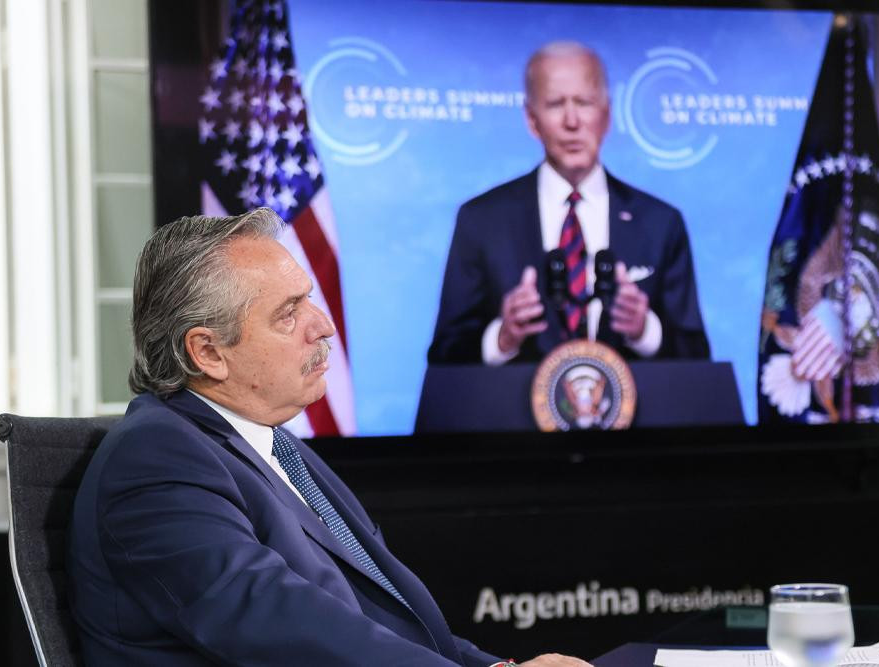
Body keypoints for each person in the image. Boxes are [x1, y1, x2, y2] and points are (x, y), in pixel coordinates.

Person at [67, 208, 591, 667]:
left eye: (309, 301)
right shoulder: (156, 458)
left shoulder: (275, 445)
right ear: (207, 352)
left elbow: (383, 619)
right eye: (288, 313)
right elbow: (279, 627)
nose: (323, 326)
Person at [428, 41, 709, 365]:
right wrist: (504, 337)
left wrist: (644, 330)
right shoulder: (482, 220)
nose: (572, 121)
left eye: (584, 102)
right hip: (511, 413)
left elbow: (697, 357)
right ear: (532, 120)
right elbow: (444, 360)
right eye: (556, 104)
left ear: (606, 115)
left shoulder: (660, 223)